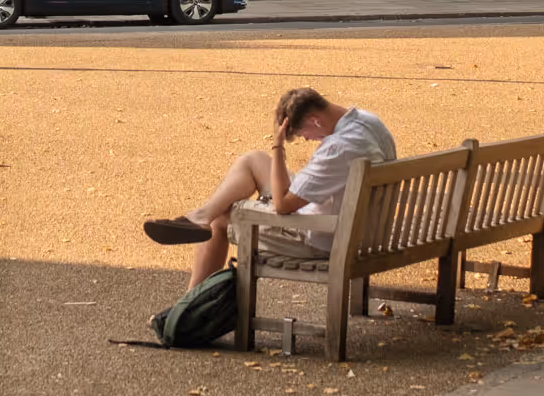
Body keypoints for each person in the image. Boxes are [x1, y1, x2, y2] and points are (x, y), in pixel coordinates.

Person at [141, 87, 397, 289]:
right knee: (252, 160)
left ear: (315, 120)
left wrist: (278, 146)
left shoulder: (337, 148)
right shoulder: (367, 121)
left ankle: (189, 313)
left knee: (223, 219)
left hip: (324, 237)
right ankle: (199, 217)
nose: (307, 139)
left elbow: (283, 206)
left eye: (302, 132)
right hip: (362, 227)